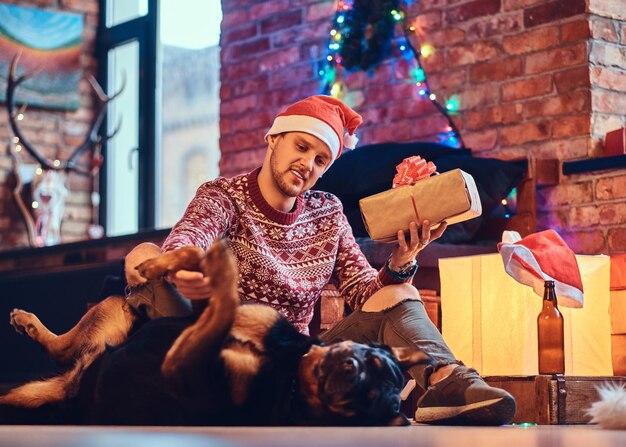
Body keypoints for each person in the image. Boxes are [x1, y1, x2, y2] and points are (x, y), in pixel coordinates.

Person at [124, 95, 516, 425]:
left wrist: (403, 258)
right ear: (273, 139)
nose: (308, 163)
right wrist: (181, 264)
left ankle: (448, 381)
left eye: (321, 159)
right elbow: (189, 237)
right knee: (145, 266)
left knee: (400, 293)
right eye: (301, 147)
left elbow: (366, 293)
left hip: (301, 362)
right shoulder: (224, 196)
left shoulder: (328, 210)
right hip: (228, 358)